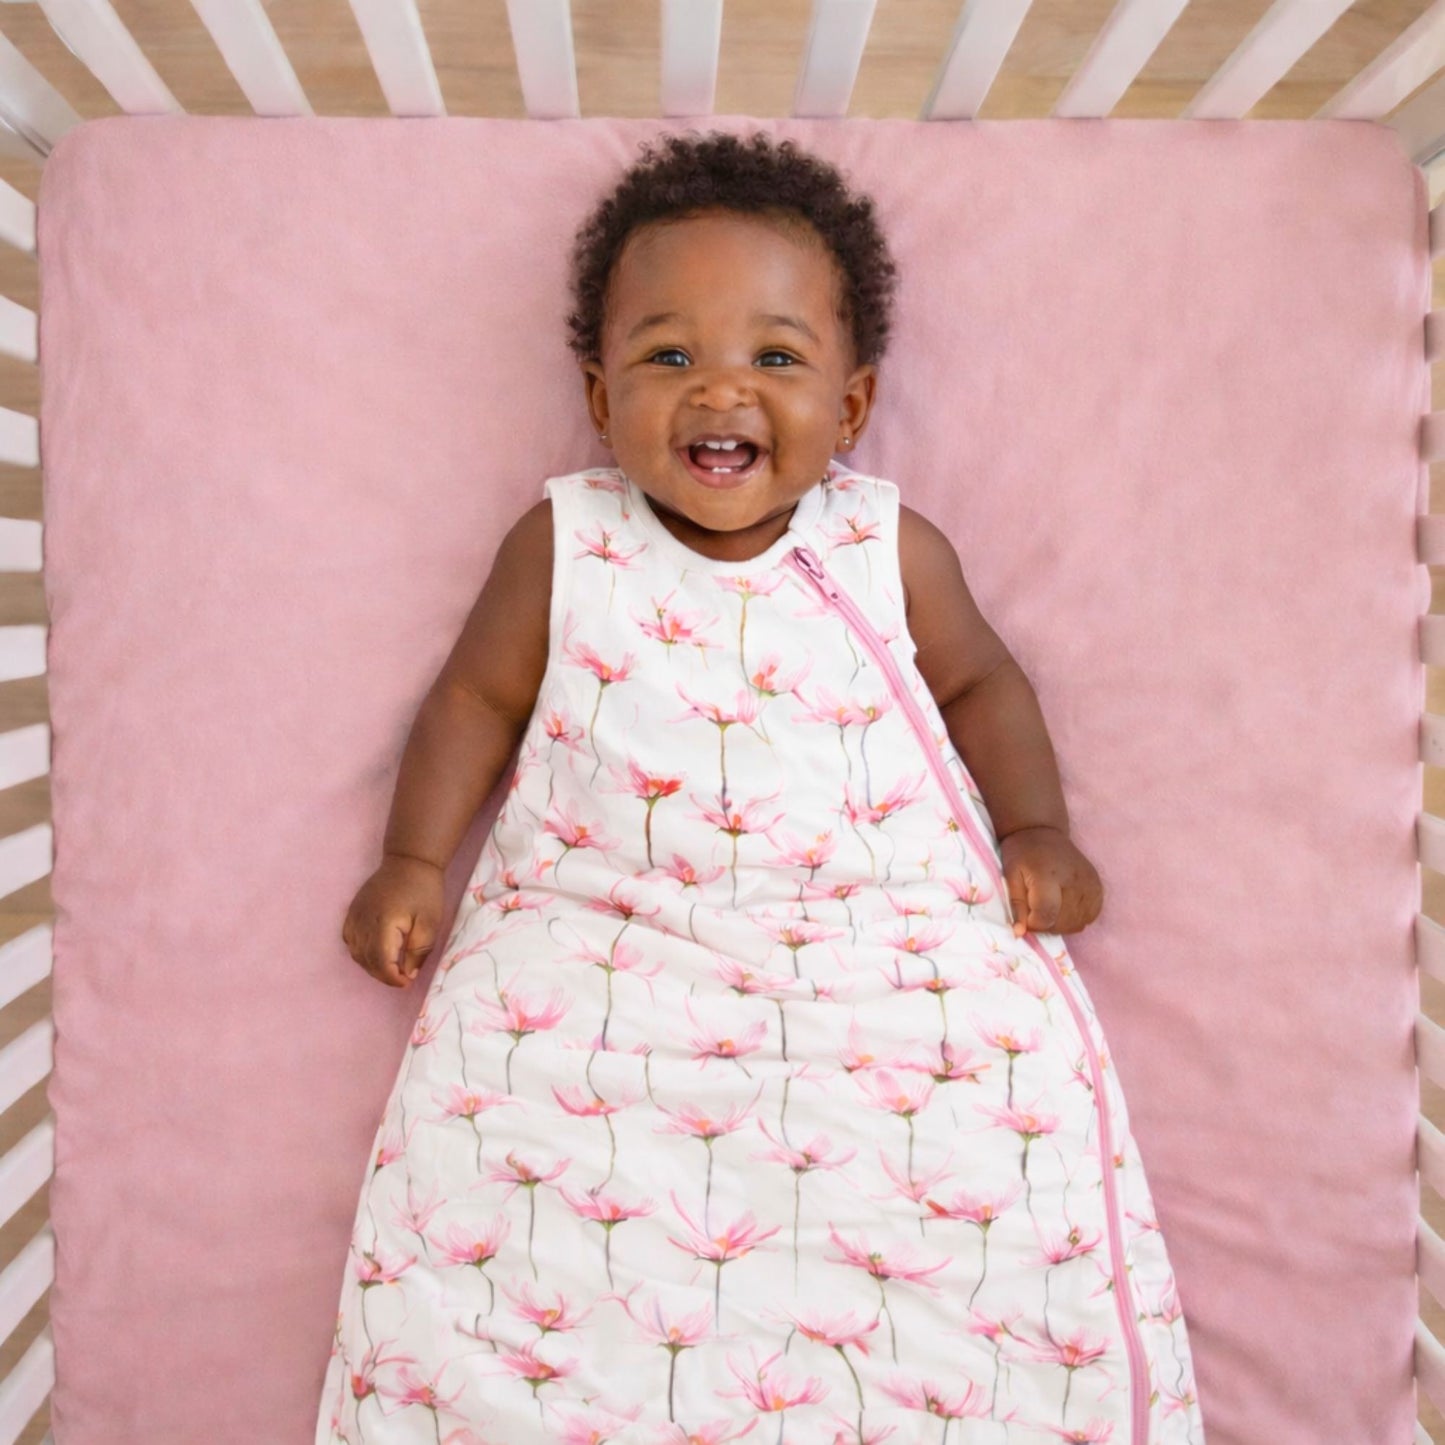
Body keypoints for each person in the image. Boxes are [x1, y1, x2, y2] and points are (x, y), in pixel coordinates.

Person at [314, 129, 1206, 1445]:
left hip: (867, 951)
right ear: (596, 390)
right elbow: (478, 702)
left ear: (848, 406)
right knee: (507, 1164)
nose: (718, 392)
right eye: (667, 356)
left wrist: (1034, 826)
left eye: (773, 360)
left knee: (961, 1137)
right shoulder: (565, 537)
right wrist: (410, 860)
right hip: (606, 950)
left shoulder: (880, 545)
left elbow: (979, 687)